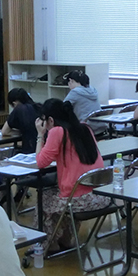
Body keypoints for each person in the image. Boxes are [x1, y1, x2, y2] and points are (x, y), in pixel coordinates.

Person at [35, 98, 111, 250]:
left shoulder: (57, 131)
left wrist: (40, 135)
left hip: (78, 201)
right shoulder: (85, 128)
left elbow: (41, 162)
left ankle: (47, 245)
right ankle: (65, 238)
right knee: (61, 195)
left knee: (43, 198)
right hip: (101, 196)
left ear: (50, 120)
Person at [1, 88, 40, 154]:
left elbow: (4, 131)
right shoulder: (39, 106)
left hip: (30, 150)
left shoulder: (19, 108)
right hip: (43, 148)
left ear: (14, 103)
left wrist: (19, 132)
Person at [64, 70, 103, 134]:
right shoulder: (92, 89)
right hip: (100, 126)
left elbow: (62, 107)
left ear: (71, 81)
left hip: (86, 128)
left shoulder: (75, 92)